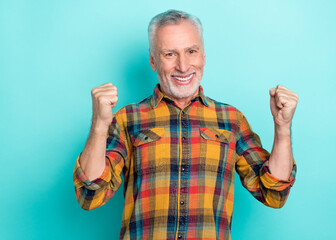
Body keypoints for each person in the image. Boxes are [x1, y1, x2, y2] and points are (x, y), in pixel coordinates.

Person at [73, 9, 298, 240]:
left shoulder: (232, 120)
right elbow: (90, 196)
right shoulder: (127, 119)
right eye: (170, 54)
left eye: (191, 51)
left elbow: (274, 193)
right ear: (153, 60)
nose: (183, 66)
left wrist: (282, 127)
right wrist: (100, 125)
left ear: (203, 56)